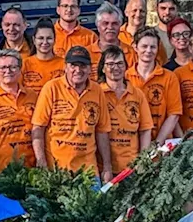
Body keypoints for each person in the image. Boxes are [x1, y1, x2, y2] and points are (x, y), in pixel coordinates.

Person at [31, 45, 114, 181]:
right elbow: (38, 128)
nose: (78, 70)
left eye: (83, 65)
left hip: (88, 172)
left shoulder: (97, 90)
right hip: (57, 171)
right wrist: (41, 162)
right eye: (73, 65)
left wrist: (107, 167)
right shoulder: (51, 88)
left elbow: (102, 131)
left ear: (89, 68)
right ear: (65, 67)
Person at [98, 45, 153, 174]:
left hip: (132, 166)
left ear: (125, 67)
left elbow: (145, 130)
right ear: (103, 69)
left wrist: (142, 160)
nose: (115, 68)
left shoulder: (137, 94)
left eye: (119, 64)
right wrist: (106, 167)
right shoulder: (96, 93)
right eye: (110, 64)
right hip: (102, 167)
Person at [128, 27, 183, 143]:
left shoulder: (169, 77)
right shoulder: (125, 77)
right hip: (131, 144)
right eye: (144, 46)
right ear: (135, 47)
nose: (148, 51)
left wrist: (157, 143)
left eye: (153, 47)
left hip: (161, 143)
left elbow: (174, 114)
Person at [0, 7, 35, 90]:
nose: (11, 29)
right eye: (7, 25)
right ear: (2, 25)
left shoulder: (36, 50)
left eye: (16, 25)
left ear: (25, 25)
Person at [85, 2, 137, 80]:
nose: (110, 27)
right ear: (98, 26)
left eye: (114, 23)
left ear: (120, 25)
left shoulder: (131, 53)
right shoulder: (87, 54)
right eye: (105, 23)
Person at [120, 0, 167, 65]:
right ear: (126, 12)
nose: (138, 14)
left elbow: (163, 64)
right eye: (134, 10)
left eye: (142, 11)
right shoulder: (117, 36)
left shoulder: (154, 38)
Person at [23, 18, 65, 95]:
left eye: (49, 38)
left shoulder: (64, 64)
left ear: (55, 40)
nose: (45, 42)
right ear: (34, 40)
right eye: (41, 38)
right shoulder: (24, 64)